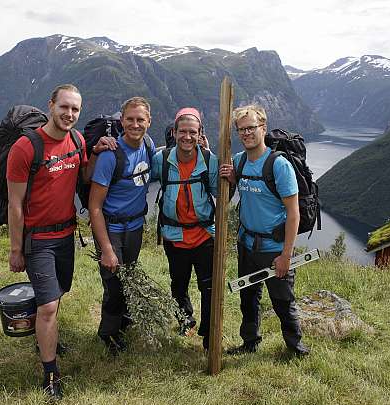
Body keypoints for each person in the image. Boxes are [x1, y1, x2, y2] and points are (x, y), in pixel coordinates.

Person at [7, 84, 88, 400]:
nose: (69, 114)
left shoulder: (78, 141)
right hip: (38, 238)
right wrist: (16, 249)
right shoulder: (27, 148)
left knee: (58, 293)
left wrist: (105, 148)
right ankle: (51, 374)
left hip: (66, 234)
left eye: (75, 110)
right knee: (49, 304)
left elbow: (85, 175)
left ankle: (46, 336)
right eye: (64, 107)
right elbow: (15, 203)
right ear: (51, 105)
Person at [219, 104, 310, 357]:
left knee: (283, 301)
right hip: (247, 245)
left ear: (263, 128)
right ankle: (249, 343)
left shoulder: (279, 165)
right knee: (248, 298)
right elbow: (243, 189)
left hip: (274, 249)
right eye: (241, 129)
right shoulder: (239, 162)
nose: (246, 133)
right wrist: (232, 178)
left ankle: (296, 347)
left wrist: (286, 256)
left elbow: (293, 214)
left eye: (251, 128)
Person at [89, 97, 155, 355]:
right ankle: (108, 333)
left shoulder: (148, 146)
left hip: (135, 227)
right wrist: (106, 248)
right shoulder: (110, 156)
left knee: (128, 277)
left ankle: (123, 323)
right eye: (130, 119)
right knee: (114, 283)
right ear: (121, 121)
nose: (135, 124)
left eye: (140, 119)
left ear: (149, 121)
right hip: (112, 229)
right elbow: (94, 207)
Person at [151, 108, 217, 351]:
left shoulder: (209, 160)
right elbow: (139, 178)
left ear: (200, 134)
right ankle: (185, 319)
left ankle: (210, 332)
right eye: (182, 132)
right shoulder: (161, 160)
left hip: (204, 235)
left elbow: (220, 193)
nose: (187, 137)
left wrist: (228, 178)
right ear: (174, 132)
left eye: (193, 132)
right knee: (178, 283)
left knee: (209, 286)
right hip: (174, 235)